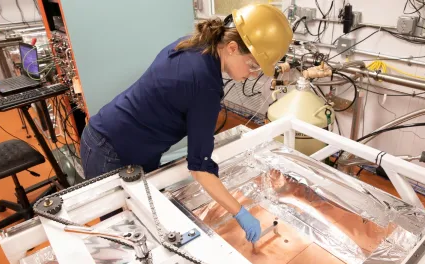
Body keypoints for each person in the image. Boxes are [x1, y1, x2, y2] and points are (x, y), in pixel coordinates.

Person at [79, 3, 292, 244]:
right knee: (123, 238)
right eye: (253, 65)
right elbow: (199, 167)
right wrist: (240, 212)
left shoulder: (198, 45)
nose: (253, 75)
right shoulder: (203, 83)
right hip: (110, 150)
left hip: (132, 144)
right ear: (232, 47)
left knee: (145, 223)